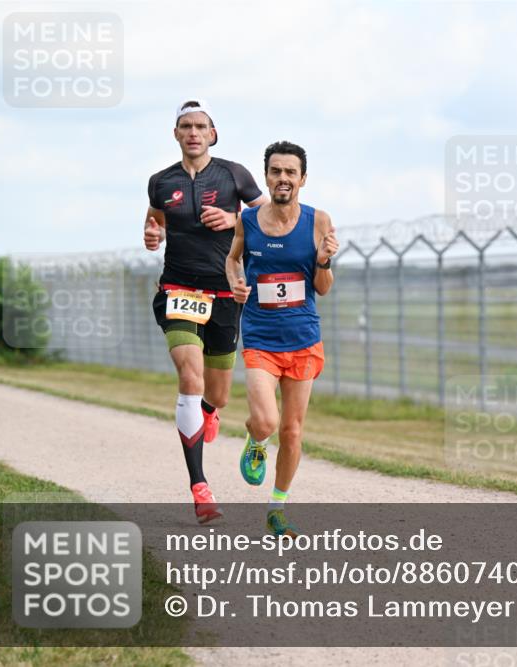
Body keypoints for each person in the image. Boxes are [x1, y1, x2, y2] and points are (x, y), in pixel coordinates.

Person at [144, 99, 268, 523]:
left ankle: (210, 414)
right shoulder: (160, 181)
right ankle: (200, 487)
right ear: (176, 135)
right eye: (185, 126)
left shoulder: (235, 174)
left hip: (224, 294)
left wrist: (234, 219)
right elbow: (155, 217)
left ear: (213, 134)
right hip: (178, 288)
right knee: (189, 378)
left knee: (216, 394)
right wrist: (152, 232)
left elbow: (269, 218)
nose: (193, 132)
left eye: (200, 126)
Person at [226, 140, 337, 537]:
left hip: (303, 337)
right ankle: (256, 438)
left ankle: (277, 508)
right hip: (259, 336)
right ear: (267, 177)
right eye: (276, 171)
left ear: (302, 179)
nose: (283, 178)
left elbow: (322, 287)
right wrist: (236, 282)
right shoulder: (249, 221)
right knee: (267, 420)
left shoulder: (318, 221)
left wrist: (323, 260)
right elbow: (233, 258)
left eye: (291, 172)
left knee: (291, 431)